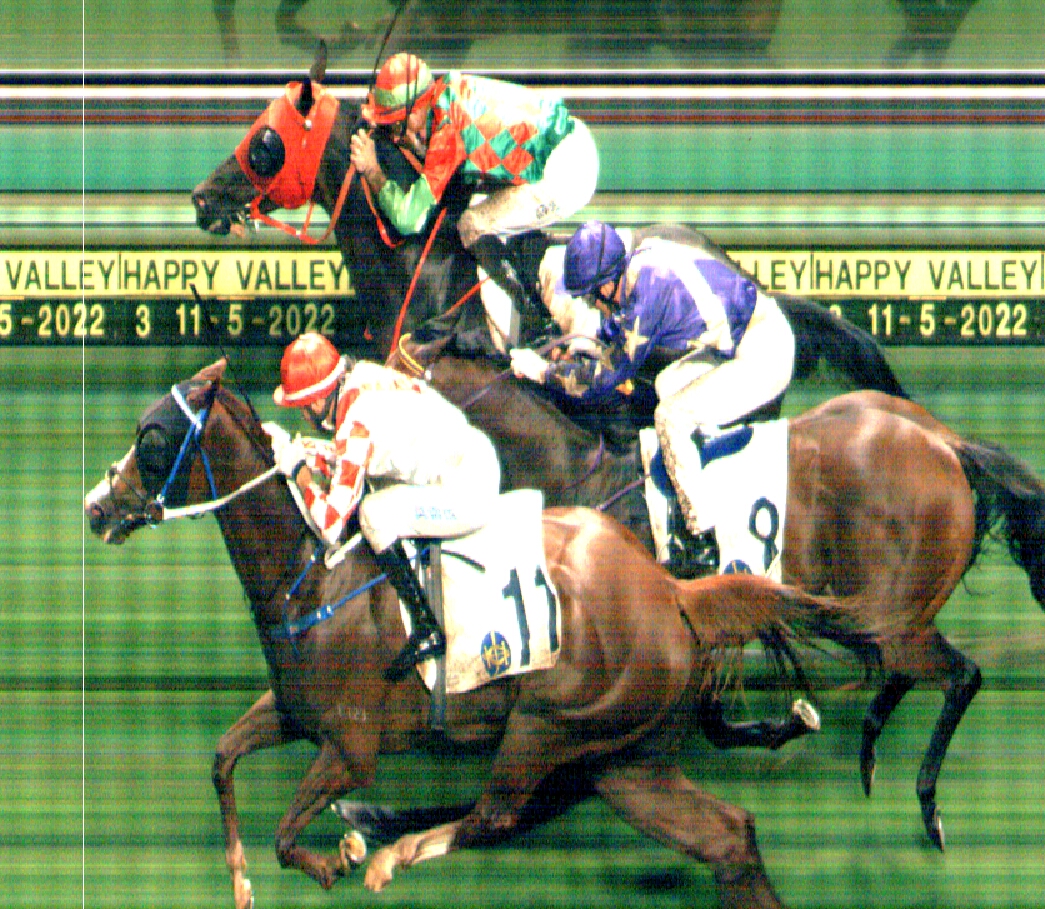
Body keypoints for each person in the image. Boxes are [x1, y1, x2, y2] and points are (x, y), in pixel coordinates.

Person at [509, 220, 795, 561]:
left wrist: (543, 372)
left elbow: (598, 381)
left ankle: (701, 539)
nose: (591, 303)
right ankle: (700, 469)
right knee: (665, 385)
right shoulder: (638, 269)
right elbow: (616, 336)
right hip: (738, 338)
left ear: (607, 285)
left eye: (590, 294)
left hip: (765, 351)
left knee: (671, 416)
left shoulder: (650, 291)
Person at [267, 333, 501, 665]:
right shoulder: (361, 376)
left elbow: (330, 524)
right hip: (472, 457)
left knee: (373, 513)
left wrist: (300, 473)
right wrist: (304, 450)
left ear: (316, 404)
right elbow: (351, 456)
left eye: (301, 409)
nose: (303, 416)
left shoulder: (356, 423)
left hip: (468, 490)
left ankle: (426, 626)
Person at [349, 52, 599, 324]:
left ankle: (536, 319)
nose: (396, 136)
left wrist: (373, 171)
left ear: (417, 110)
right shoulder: (447, 91)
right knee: (483, 210)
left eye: (396, 125)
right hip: (570, 143)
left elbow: (410, 220)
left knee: (473, 224)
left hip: (568, 173)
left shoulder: (447, 132)